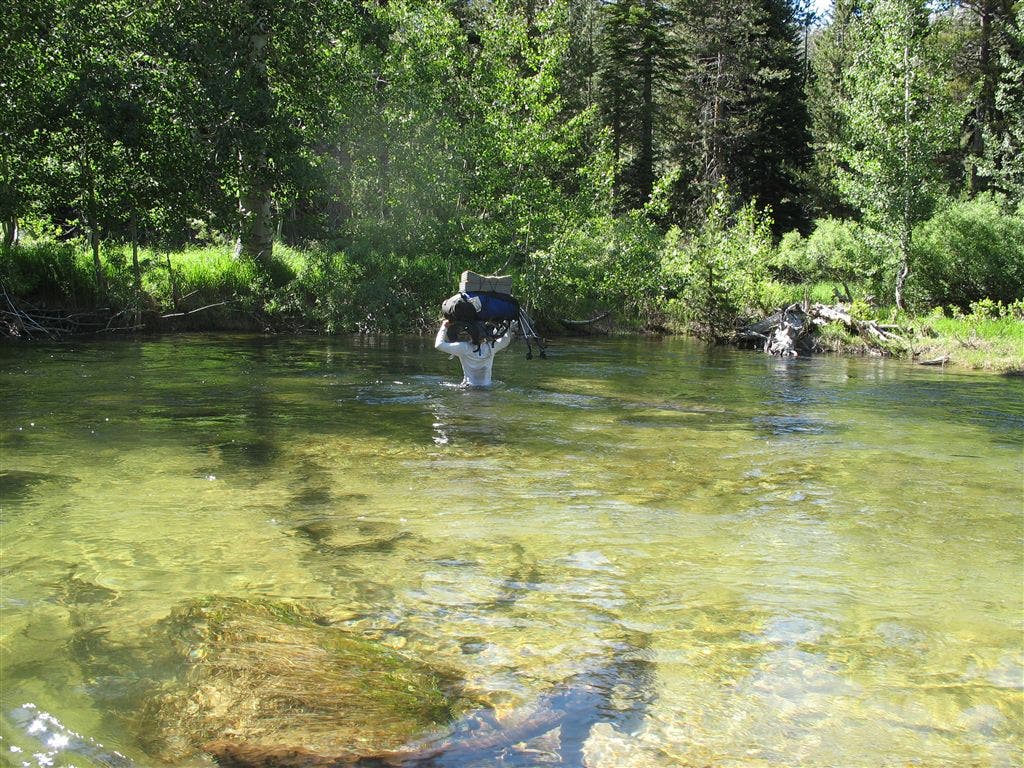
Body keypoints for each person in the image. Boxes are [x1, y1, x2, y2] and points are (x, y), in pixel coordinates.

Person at [435, 319, 517, 387]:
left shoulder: (464, 348)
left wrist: (444, 326)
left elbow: (439, 345)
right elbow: (506, 340)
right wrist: (506, 323)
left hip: (468, 388)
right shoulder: (491, 347)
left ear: (470, 334)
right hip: (487, 388)